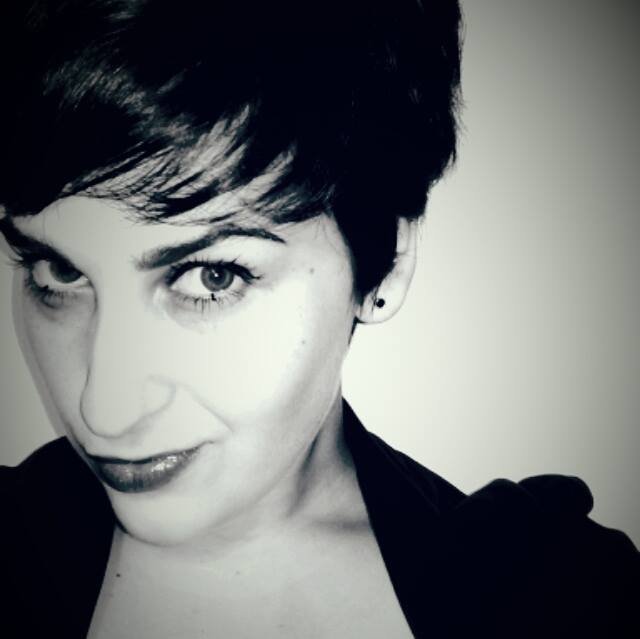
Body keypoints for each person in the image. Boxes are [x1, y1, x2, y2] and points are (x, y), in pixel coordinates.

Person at [0, 1, 637, 637]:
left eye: (212, 277)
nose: (103, 411)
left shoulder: (561, 601)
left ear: (384, 266)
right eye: (59, 272)